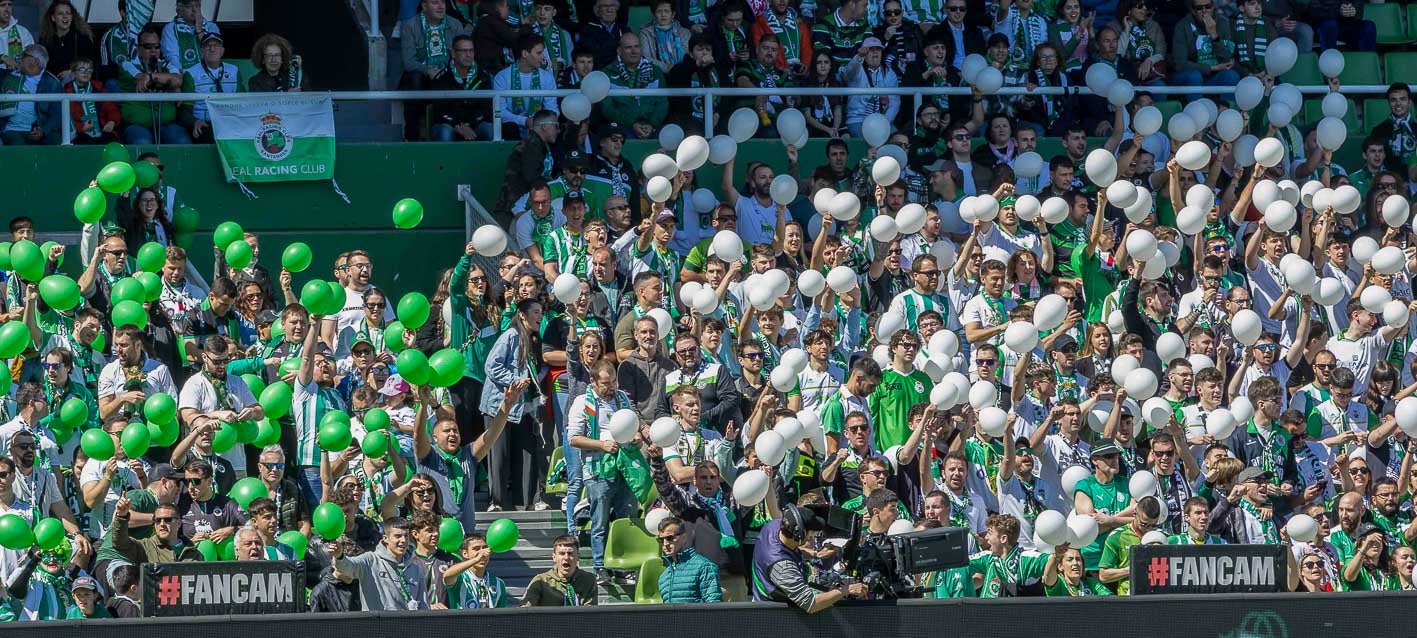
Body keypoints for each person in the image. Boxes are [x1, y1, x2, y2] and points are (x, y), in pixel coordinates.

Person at [752, 504, 867, 611]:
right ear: (799, 534)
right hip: (774, 615)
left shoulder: (773, 527)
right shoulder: (783, 567)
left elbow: (788, 549)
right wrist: (846, 590)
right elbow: (811, 604)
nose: (814, 537)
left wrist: (816, 554)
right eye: (811, 534)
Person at [400, 0, 469, 140]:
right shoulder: (411, 26)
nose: (441, 6)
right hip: (423, 79)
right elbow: (409, 62)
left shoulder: (455, 24)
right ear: (424, 6)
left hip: (449, 75)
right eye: (435, 3)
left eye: (442, 2)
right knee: (414, 78)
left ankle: (461, 129)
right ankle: (412, 137)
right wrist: (428, 70)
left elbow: (464, 56)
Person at [330, 517, 431, 610]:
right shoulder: (370, 561)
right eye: (398, 536)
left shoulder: (415, 568)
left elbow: (424, 605)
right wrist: (339, 556)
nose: (403, 540)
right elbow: (348, 567)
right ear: (385, 538)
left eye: (406, 536)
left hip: (408, 627)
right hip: (377, 627)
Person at [117, 25, 188, 144]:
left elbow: (178, 79)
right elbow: (141, 78)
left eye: (157, 46)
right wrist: (169, 82)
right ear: (138, 48)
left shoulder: (166, 65)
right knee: (142, 142)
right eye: (148, 47)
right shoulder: (128, 65)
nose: (153, 50)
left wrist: (153, 76)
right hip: (138, 125)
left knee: (182, 140)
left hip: (166, 124)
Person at [493, 33, 559, 140]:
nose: (543, 57)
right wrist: (525, 121)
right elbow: (500, 112)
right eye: (539, 53)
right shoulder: (502, 77)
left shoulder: (547, 77)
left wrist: (540, 123)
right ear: (525, 53)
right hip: (513, 130)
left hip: (541, 128)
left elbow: (552, 108)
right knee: (509, 128)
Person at [602, 32, 667, 139]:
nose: (634, 51)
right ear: (619, 51)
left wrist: (652, 124)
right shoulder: (608, 73)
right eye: (628, 47)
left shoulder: (655, 71)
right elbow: (607, 108)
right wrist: (632, 123)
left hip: (652, 126)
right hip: (622, 126)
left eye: (637, 46)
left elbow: (663, 102)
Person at [0, 44, 61, 145]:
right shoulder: (8, 75)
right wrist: (2, 58)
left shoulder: (52, 83)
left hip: (40, 129)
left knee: (55, 141)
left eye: (24, 55)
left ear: (35, 61)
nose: (19, 57)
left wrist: (43, 131)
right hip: (11, 130)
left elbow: (57, 115)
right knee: (19, 149)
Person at [656, 515, 723, 603]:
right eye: (661, 540)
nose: (665, 543)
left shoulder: (704, 567)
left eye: (670, 538)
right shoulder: (664, 577)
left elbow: (714, 607)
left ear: (684, 537)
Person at [521, 535, 598, 605]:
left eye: (570, 553)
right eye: (562, 553)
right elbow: (525, 610)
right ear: (554, 557)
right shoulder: (541, 581)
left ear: (578, 556)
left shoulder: (588, 580)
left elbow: (590, 612)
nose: (566, 558)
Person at [443, 532, 513, 608]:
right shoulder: (460, 578)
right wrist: (476, 559)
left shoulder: (498, 583)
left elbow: (502, 615)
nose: (482, 553)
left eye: (485, 548)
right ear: (465, 554)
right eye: (476, 549)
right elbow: (447, 575)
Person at [161, 0, 219, 71]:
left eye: (197, 6)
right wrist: (184, 74)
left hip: (209, 73)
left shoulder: (212, 27)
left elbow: (213, 52)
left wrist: (199, 30)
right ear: (179, 10)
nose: (194, 10)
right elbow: (172, 57)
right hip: (183, 74)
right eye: (189, 6)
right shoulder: (170, 28)